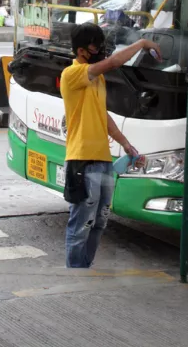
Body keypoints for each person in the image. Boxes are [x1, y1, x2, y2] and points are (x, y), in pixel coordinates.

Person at [60, 23, 160, 268]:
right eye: (96, 44)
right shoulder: (72, 75)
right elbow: (114, 62)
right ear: (82, 51)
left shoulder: (98, 79)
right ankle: (75, 272)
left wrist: (126, 144)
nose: (101, 48)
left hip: (103, 162)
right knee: (81, 222)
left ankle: (85, 267)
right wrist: (142, 43)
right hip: (83, 161)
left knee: (100, 222)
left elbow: (102, 116)